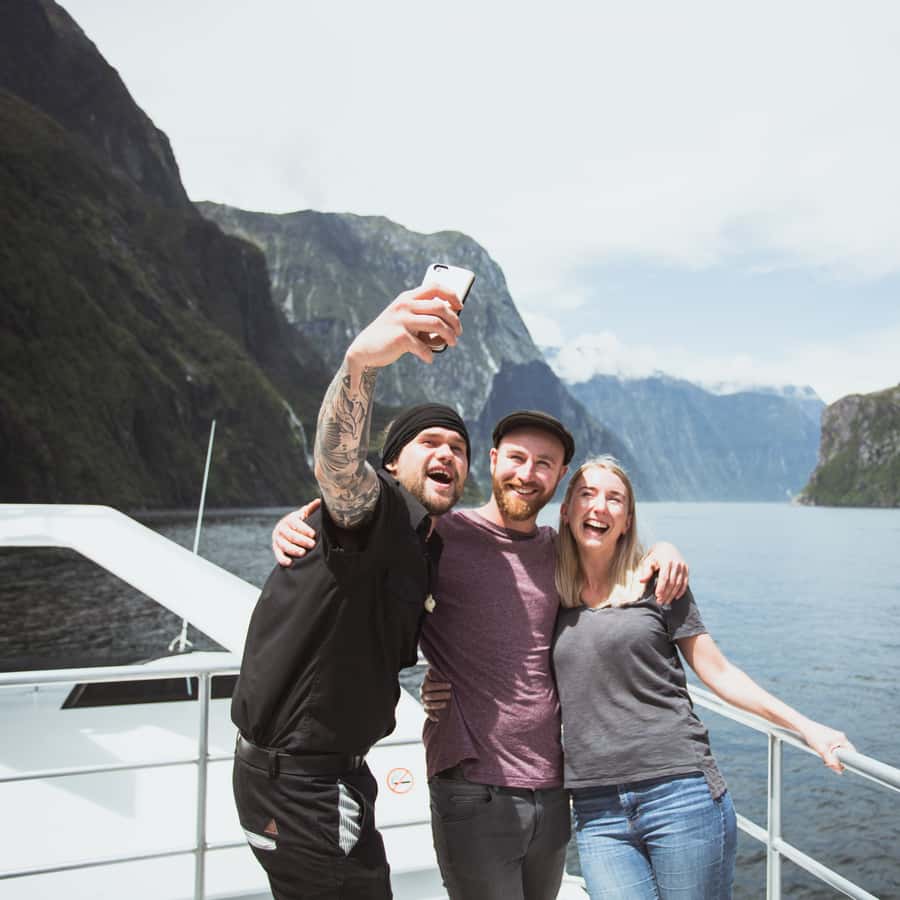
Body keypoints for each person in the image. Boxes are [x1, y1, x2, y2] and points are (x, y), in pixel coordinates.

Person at [274, 414, 690, 900]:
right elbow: (356, 539)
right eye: (516, 458)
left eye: (544, 464)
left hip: (552, 787)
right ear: (492, 461)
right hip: (473, 787)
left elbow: (615, 557)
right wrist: (300, 525)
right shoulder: (437, 535)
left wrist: (665, 549)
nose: (527, 473)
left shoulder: (560, 552)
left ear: (559, 476)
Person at [231, 282, 471, 900]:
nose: (447, 454)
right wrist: (360, 365)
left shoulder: (426, 544)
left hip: (329, 776)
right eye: (429, 442)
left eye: (458, 448)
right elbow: (338, 470)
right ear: (391, 465)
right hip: (299, 784)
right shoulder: (377, 510)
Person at [551, 456, 853, 900]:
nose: (599, 507)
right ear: (566, 510)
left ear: (627, 519)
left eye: (614, 499)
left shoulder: (659, 583)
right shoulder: (548, 591)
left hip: (679, 794)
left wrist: (807, 727)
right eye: (587, 494)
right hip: (597, 810)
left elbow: (719, 672)